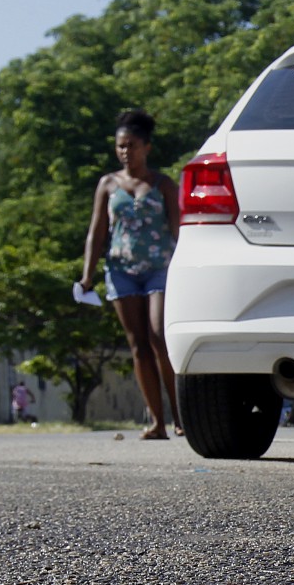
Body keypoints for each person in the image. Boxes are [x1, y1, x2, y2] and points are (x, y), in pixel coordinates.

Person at [79, 108, 181, 439]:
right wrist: (87, 274)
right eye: (120, 146)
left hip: (158, 268)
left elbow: (178, 229)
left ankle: (182, 415)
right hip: (121, 269)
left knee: (158, 337)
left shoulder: (163, 183)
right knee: (137, 344)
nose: (125, 152)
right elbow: (97, 232)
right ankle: (157, 421)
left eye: (132, 145)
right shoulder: (107, 184)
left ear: (146, 147)